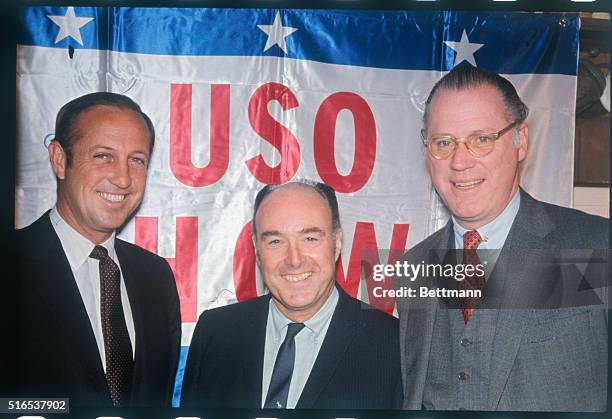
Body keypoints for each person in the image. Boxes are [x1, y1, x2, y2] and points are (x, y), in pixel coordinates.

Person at [397, 66, 608, 411]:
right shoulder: (412, 267)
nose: (460, 161)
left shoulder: (598, 245)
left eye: (481, 139)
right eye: (444, 142)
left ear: (520, 141)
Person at [14, 92, 181, 407]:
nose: (122, 178)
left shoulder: (156, 277)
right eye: (103, 155)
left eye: (136, 159)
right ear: (60, 159)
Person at [181, 180, 402, 409]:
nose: (294, 260)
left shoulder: (393, 346)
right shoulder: (214, 332)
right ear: (257, 249)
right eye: (275, 241)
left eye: (310, 239)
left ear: (336, 243)